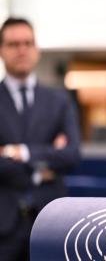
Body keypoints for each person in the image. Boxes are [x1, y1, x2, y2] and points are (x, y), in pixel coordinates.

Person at [0, 17, 81, 260]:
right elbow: (58, 157)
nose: (22, 50)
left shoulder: (59, 101)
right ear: (2, 50)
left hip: (51, 223)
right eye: (14, 44)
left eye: (28, 43)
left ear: (37, 49)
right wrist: (43, 165)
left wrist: (18, 152)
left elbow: (72, 155)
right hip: (3, 227)